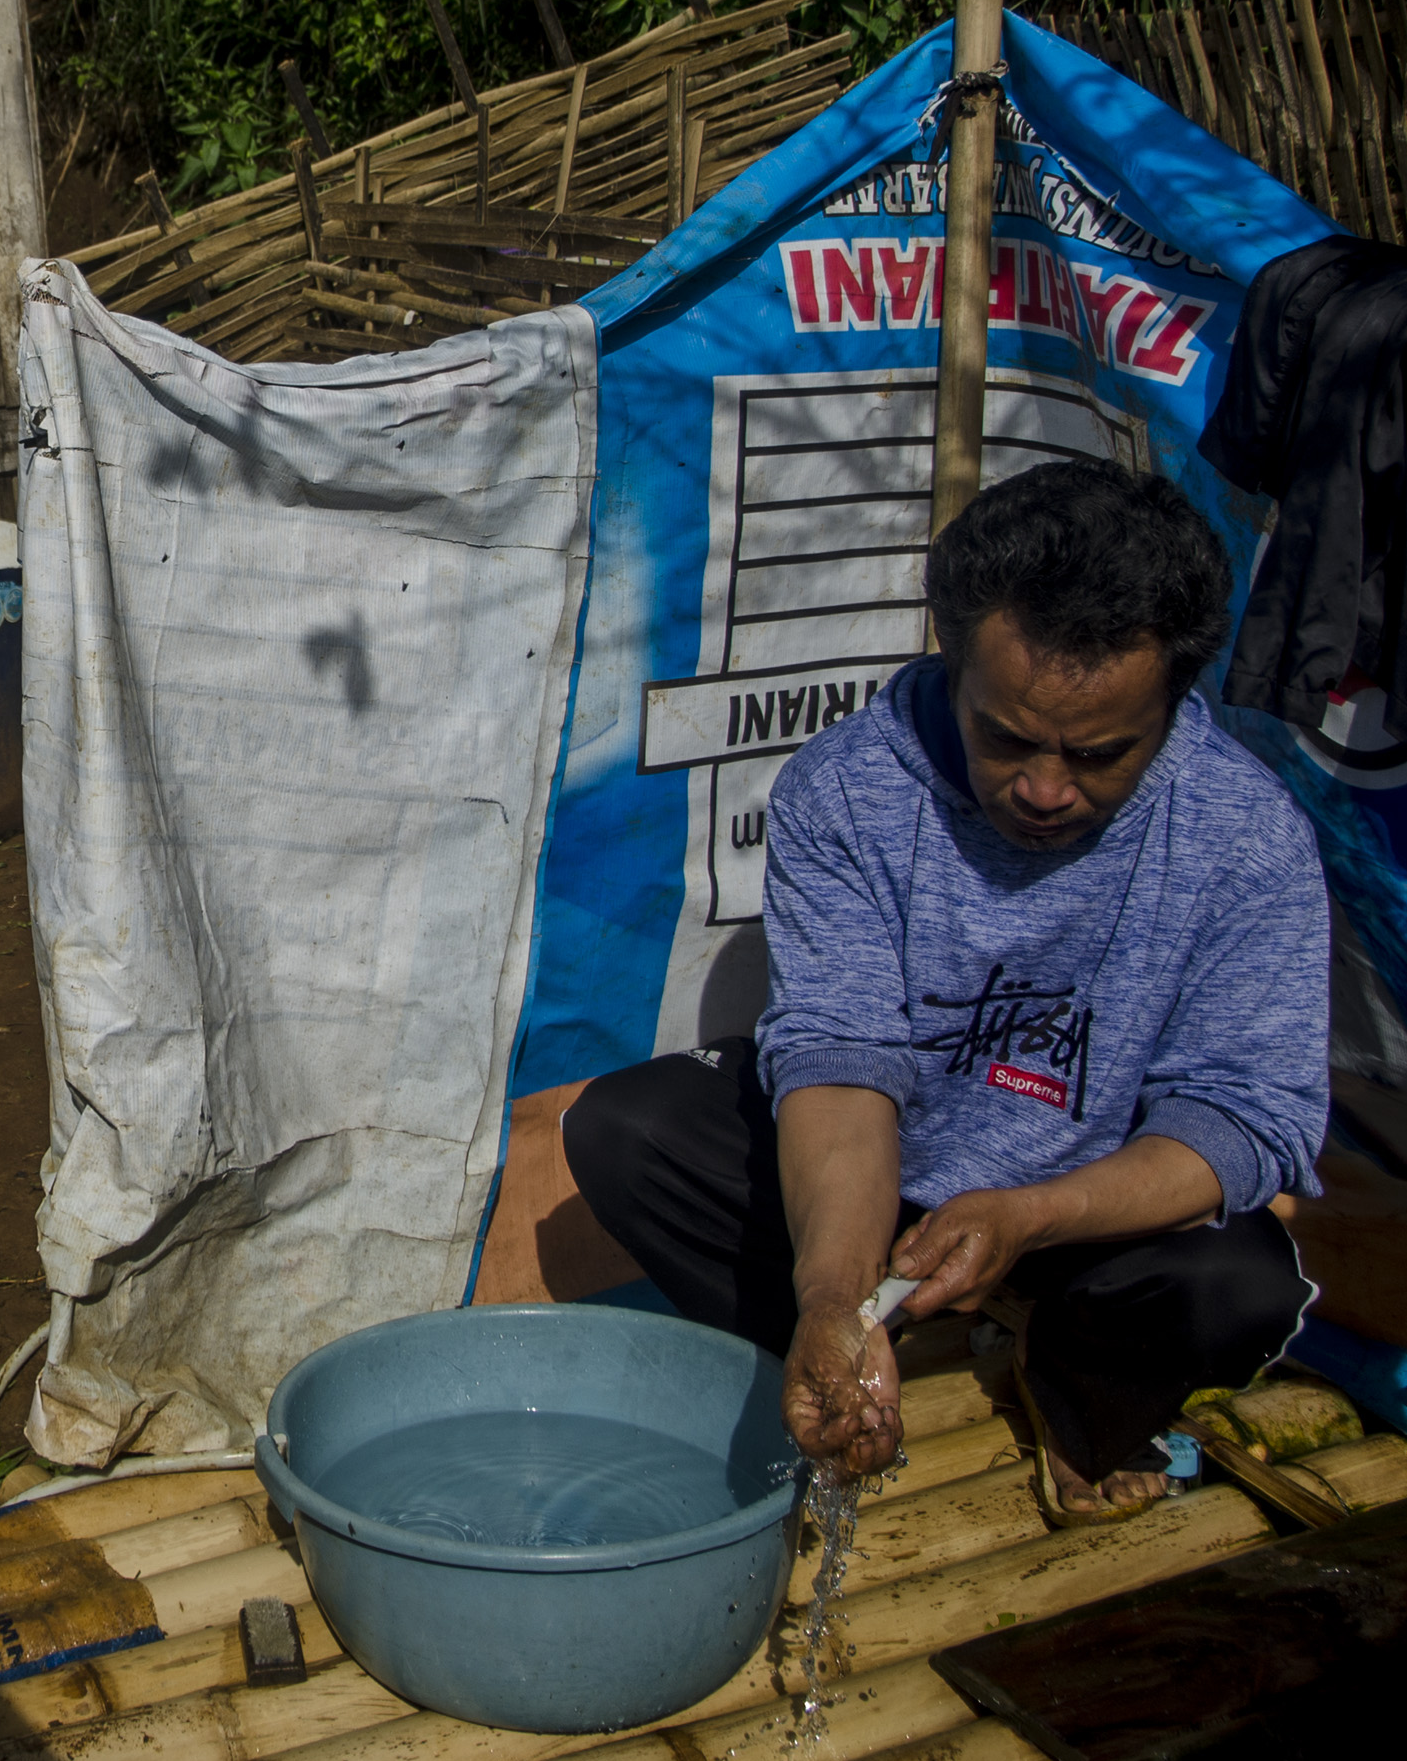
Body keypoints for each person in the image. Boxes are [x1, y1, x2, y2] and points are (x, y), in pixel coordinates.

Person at [560, 458, 1327, 1517]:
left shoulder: (1248, 837)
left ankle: (1075, 1384)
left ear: (1170, 704)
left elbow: (1244, 1115)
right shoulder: (847, 788)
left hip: (1085, 1213)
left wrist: (1031, 1216)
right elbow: (841, 1061)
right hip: (883, 1184)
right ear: (952, 660)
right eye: (1005, 738)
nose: (1045, 789)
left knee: (1240, 1283)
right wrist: (835, 1292)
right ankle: (832, 1349)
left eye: (1099, 755)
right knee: (629, 1130)